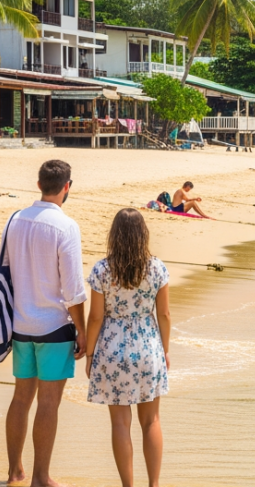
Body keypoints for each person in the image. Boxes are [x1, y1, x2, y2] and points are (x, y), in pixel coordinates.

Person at [5, 159, 87, 487]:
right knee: (49, 402)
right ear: (67, 187)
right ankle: (40, 477)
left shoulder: (16, 220)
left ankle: (15, 471)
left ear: (39, 184)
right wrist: (82, 330)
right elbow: (73, 289)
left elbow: (6, 269)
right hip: (53, 326)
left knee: (20, 398)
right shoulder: (66, 226)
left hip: (21, 323)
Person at [84, 208, 170, 487]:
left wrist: (90, 354)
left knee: (120, 423)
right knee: (151, 421)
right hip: (148, 347)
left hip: (112, 348)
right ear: (143, 234)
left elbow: (95, 317)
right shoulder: (157, 268)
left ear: (114, 235)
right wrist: (165, 351)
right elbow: (164, 315)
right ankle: (154, 484)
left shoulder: (102, 269)